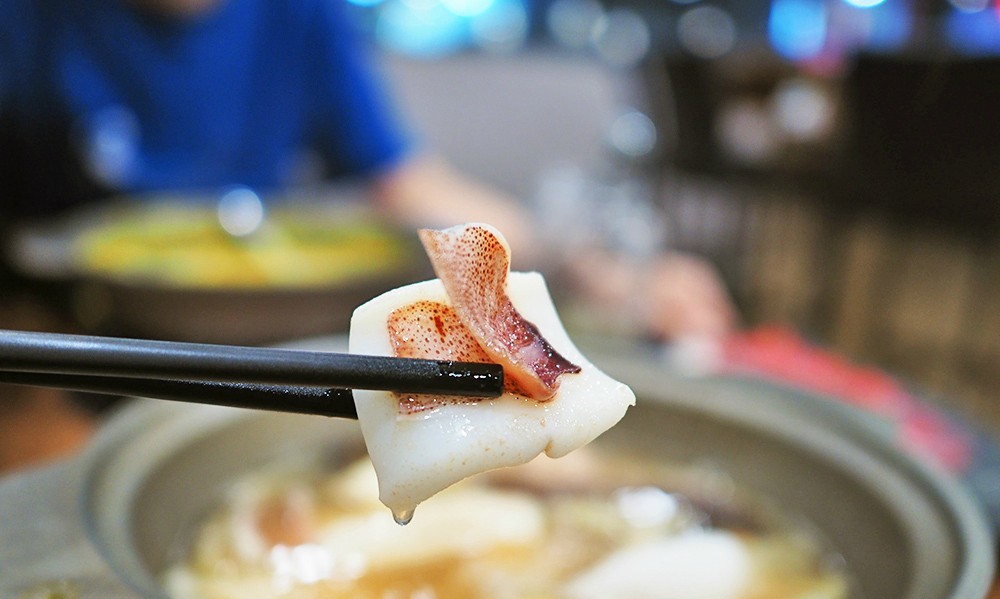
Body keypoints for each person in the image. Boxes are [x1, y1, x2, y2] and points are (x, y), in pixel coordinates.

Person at [0, 0, 735, 341]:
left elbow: (407, 183)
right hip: (76, 336)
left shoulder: (299, 14)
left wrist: (597, 272)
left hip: (277, 339)